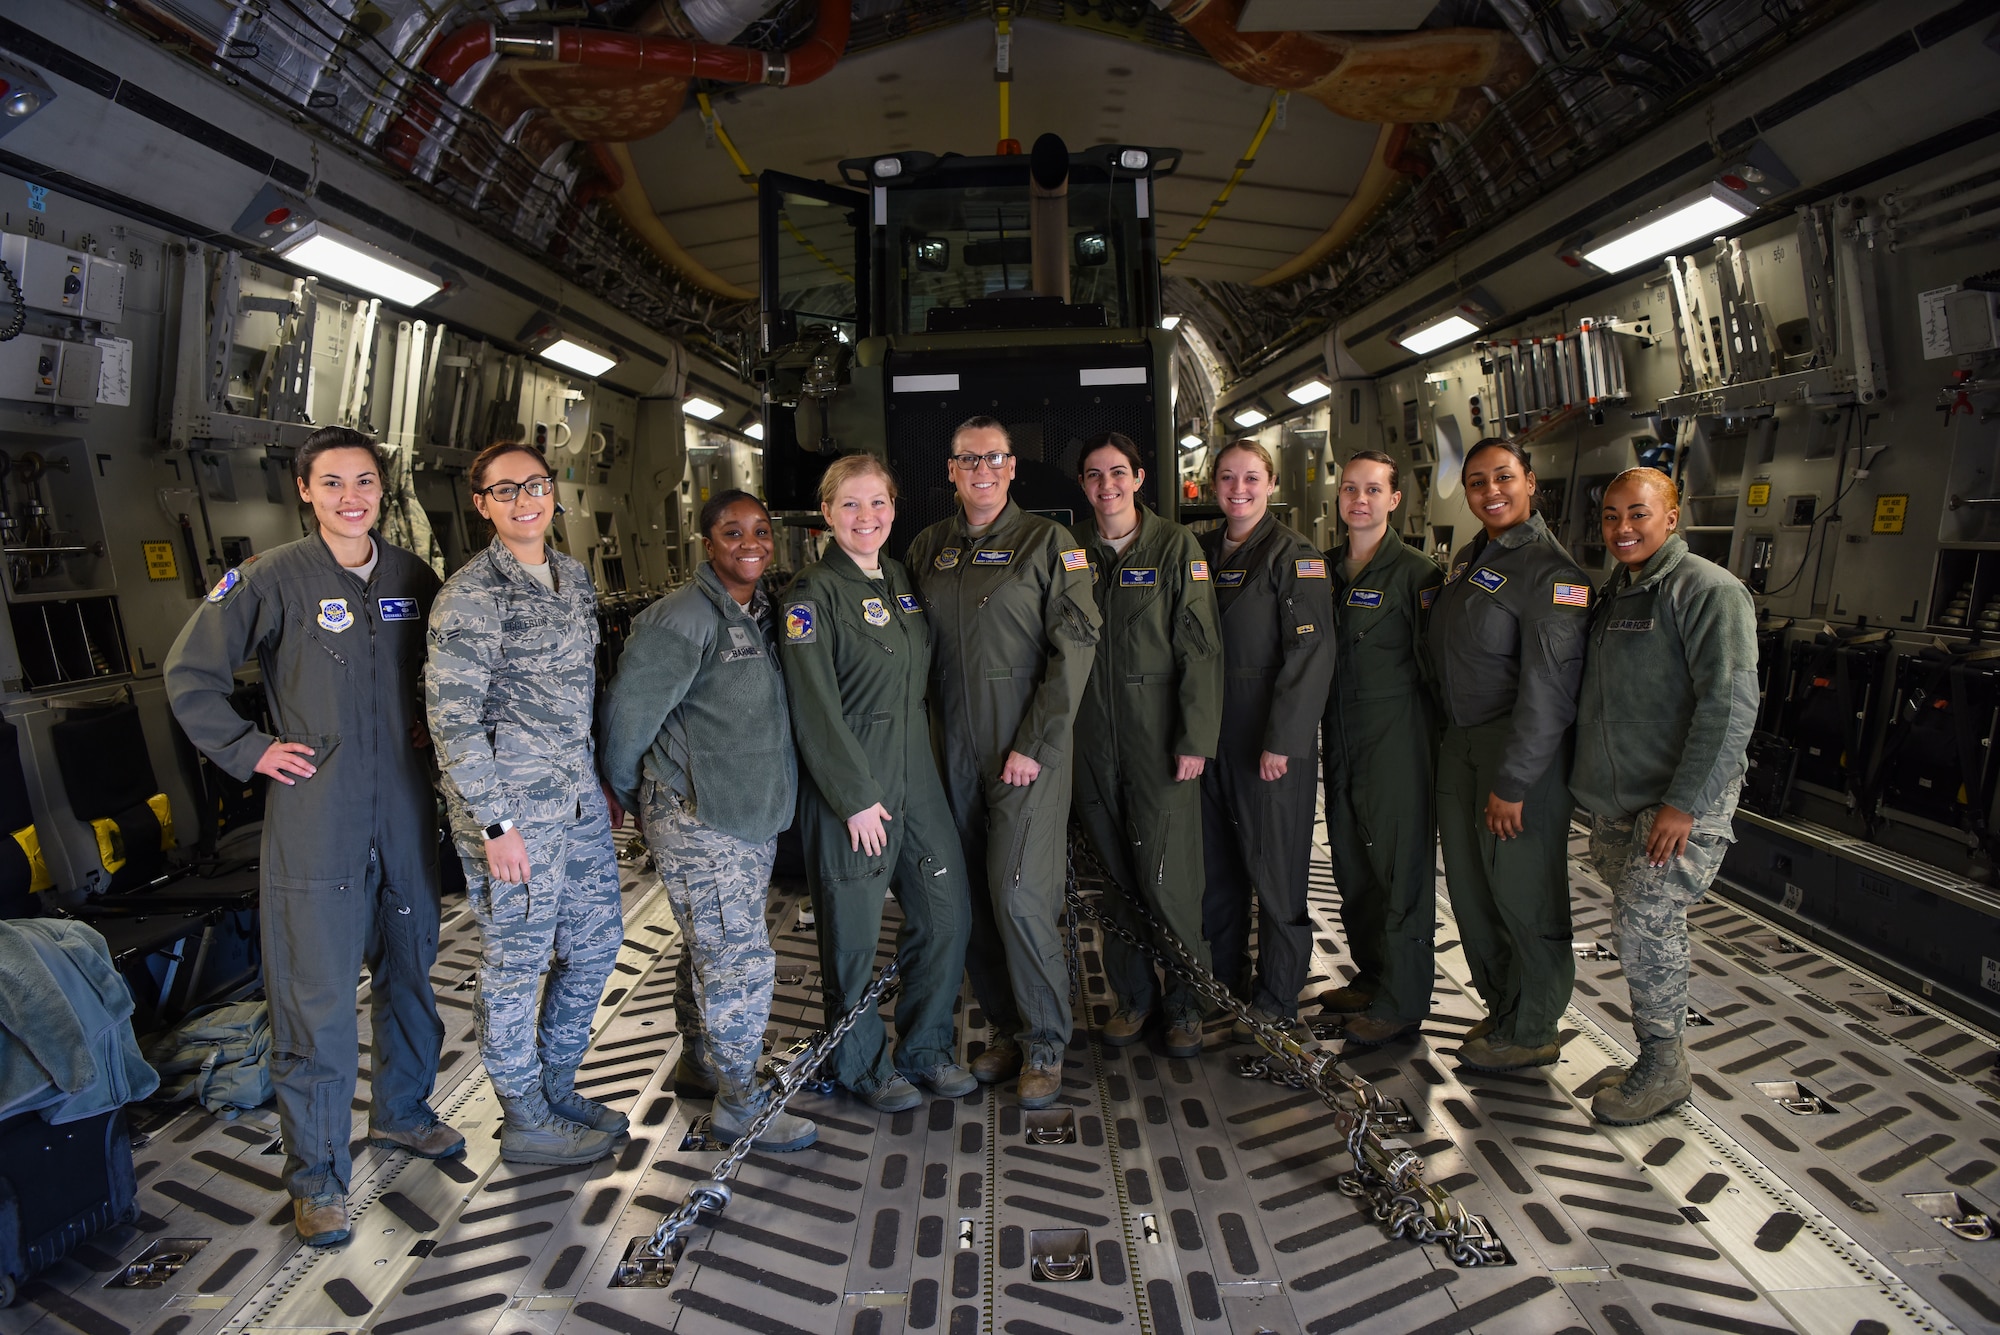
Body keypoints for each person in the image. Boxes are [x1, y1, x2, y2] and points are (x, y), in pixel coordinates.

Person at [164, 426, 460, 1248]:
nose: (350, 497)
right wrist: (250, 749)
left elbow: (452, 670)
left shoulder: (413, 576)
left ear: (381, 488)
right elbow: (189, 676)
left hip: (404, 811)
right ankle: (320, 1178)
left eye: (364, 481)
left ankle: (402, 1113)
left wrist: (434, 728)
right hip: (315, 817)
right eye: (332, 483)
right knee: (316, 1004)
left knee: (411, 976)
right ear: (305, 490)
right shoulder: (270, 578)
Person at [426, 441, 625, 1166]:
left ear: (553, 491)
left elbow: (579, 696)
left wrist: (597, 780)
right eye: (504, 490)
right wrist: (497, 825)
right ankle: (523, 1118)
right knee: (518, 960)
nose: (524, 500)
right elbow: (452, 720)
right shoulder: (471, 596)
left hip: (572, 801)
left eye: (534, 485)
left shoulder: (572, 578)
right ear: (481, 504)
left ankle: (553, 1085)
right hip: (510, 817)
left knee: (599, 940)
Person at [599, 490, 816, 1150]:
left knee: (712, 940)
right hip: (699, 812)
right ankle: (741, 1100)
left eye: (760, 529)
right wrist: (630, 793)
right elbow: (626, 719)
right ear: (707, 543)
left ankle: (702, 1058)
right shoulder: (682, 618)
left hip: (743, 807)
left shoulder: (755, 610)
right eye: (731, 532)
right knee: (736, 956)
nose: (749, 542)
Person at [906, 417, 1100, 1109]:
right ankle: (1010, 1031)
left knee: (1020, 895)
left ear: (1012, 467)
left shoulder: (1049, 543)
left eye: (993, 457)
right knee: (974, 900)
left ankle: (1047, 1042)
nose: (981, 469)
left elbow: (1074, 646)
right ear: (952, 471)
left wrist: (1037, 742)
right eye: (967, 459)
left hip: (1025, 753)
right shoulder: (928, 548)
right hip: (948, 751)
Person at [779, 455, 975, 1110]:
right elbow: (814, 708)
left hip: (915, 770)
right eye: (852, 505)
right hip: (852, 781)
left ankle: (925, 1047)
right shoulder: (810, 597)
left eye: (879, 504)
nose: (867, 517)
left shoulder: (899, 579)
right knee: (854, 936)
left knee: (946, 911)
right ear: (828, 512)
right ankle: (862, 1065)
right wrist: (854, 796)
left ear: (894, 508)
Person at [1573, 468, 1756, 1123]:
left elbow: (1730, 705)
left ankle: (1664, 1067)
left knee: (1643, 927)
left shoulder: (1707, 591)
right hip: (1623, 802)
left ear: (1672, 518)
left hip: (1678, 804)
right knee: (1641, 932)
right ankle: (1653, 1052)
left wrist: (1685, 803)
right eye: (1612, 515)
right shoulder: (1617, 592)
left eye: (1639, 515)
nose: (1623, 528)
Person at [1428, 438, 1590, 1072]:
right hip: (1462, 745)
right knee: (1472, 891)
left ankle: (1536, 1027)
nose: (1490, 491)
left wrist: (1515, 781)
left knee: (1525, 895)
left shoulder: (1554, 574)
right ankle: (1504, 1009)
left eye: (1503, 477)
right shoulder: (1476, 558)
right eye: (1476, 482)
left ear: (1530, 479)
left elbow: (1548, 693)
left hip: (1516, 754)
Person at [1069, 432, 1222, 1057]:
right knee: (1114, 880)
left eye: (1117, 473)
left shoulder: (1174, 546)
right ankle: (1133, 999)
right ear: (1084, 485)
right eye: (1094, 474)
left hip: (1158, 739)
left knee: (1169, 878)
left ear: (1138, 479)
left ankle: (1187, 1004)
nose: (1107, 485)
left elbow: (1201, 647)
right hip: (1091, 740)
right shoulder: (1070, 550)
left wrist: (1194, 738)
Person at [1198, 439, 1336, 1038]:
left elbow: (1311, 651)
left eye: (1251, 478)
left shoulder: (1293, 555)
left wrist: (1284, 740)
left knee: (1275, 873)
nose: (1238, 489)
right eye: (1227, 477)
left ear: (1272, 483)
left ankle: (1278, 996)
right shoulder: (1201, 548)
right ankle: (1223, 983)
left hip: (1266, 740)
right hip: (1209, 735)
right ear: (1212, 485)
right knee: (1217, 873)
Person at [1316, 451, 1445, 1046]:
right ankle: (1372, 975)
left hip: (1397, 740)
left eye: (1373, 490)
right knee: (1353, 866)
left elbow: (1436, 669)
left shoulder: (1418, 576)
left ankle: (1403, 999)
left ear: (1395, 499)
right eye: (1349, 488)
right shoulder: (1322, 571)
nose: (1359, 500)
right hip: (1339, 739)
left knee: (1400, 872)